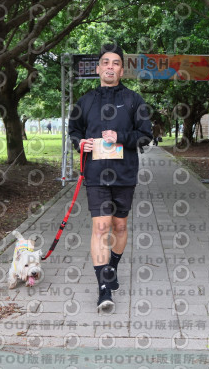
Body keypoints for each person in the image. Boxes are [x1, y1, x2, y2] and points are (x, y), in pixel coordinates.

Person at [68, 44, 153, 311]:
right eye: (105, 62)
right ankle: (104, 288)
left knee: (119, 227)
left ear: (121, 70)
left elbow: (146, 135)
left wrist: (121, 137)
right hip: (95, 174)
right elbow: (74, 131)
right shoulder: (85, 101)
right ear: (98, 69)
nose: (110, 67)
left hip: (125, 173)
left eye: (115, 63)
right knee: (101, 227)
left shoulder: (134, 100)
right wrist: (80, 143)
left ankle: (112, 267)